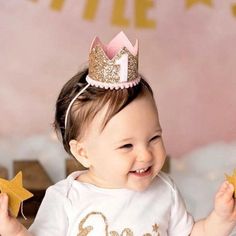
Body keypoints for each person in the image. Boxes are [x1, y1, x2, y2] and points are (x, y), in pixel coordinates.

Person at [0, 32, 235, 236]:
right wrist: (15, 232)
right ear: (83, 153)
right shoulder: (67, 198)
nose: (145, 154)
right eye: (126, 146)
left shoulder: (164, 190)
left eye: (154, 138)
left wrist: (222, 218)